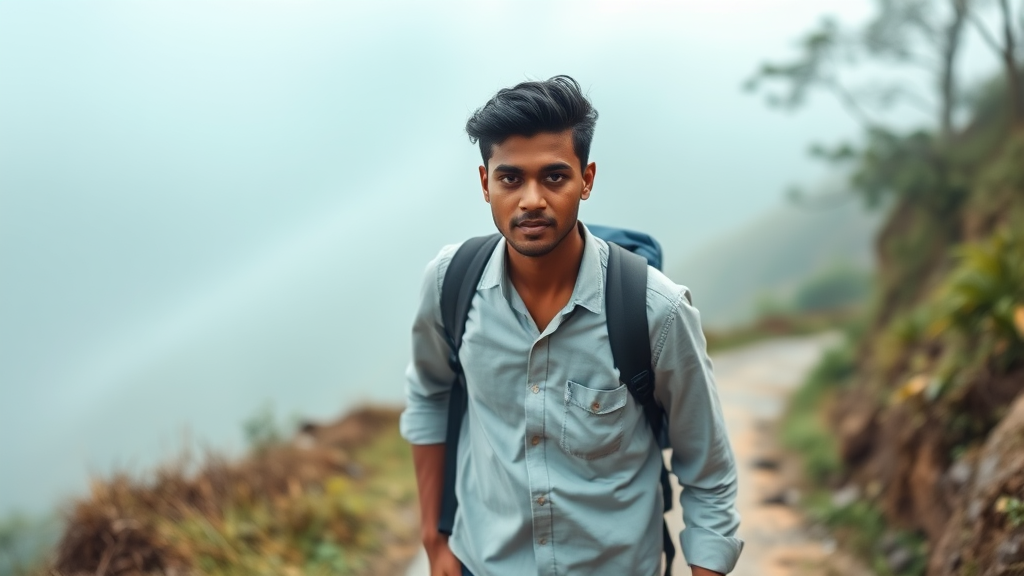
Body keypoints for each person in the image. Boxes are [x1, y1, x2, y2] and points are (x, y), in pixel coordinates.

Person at [399, 75, 743, 576]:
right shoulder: (452, 284)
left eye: (554, 177)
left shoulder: (656, 311)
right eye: (510, 178)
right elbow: (429, 393)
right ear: (485, 183)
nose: (531, 199)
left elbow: (708, 469)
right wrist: (434, 541)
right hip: (483, 563)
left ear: (587, 179)